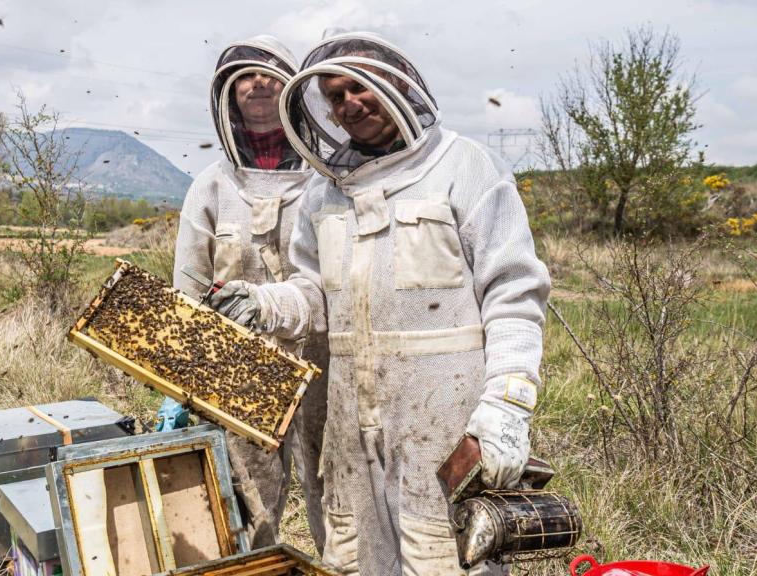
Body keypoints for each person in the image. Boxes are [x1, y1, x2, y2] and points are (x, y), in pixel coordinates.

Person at [210, 32, 550, 575]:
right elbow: (316, 290)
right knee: (355, 561)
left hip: (443, 424)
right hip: (351, 429)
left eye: (358, 87)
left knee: (447, 561)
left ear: (394, 81)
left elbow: (513, 293)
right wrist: (264, 303)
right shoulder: (326, 192)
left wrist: (508, 402)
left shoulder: (465, 167)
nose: (350, 104)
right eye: (336, 97)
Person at [172, 35, 328, 552]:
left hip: (327, 357)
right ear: (228, 96)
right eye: (245, 76)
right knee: (244, 498)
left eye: (269, 73)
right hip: (237, 363)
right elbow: (188, 288)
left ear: (294, 93)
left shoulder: (329, 180)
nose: (258, 83)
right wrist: (182, 377)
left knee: (337, 488)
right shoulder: (211, 187)